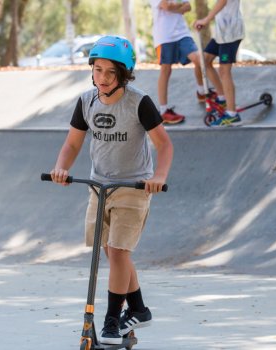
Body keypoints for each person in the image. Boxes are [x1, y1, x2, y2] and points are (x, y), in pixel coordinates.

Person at [49, 36, 173, 345]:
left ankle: (110, 321)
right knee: (111, 252)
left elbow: (164, 144)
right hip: (99, 185)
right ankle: (139, 309)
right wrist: (61, 168)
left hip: (133, 186)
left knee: (118, 252)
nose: (101, 78)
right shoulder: (86, 101)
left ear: (124, 74)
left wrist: (158, 176)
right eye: (97, 70)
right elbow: (72, 143)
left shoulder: (138, 102)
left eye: (110, 73)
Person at [149, 0, 207, 124]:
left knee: (199, 60)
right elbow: (166, 5)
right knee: (166, 70)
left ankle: (201, 92)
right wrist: (179, 7)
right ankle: (164, 111)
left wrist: (175, 7)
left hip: (182, 33)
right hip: (164, 36)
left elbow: (188, 6)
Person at [193, 0, 245, 126]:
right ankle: (222, 98)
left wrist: (206, 20)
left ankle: (232, 114)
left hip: (231, 33)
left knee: (224, 71)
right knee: (204, 62)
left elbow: (223, 1)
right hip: (221, 34)